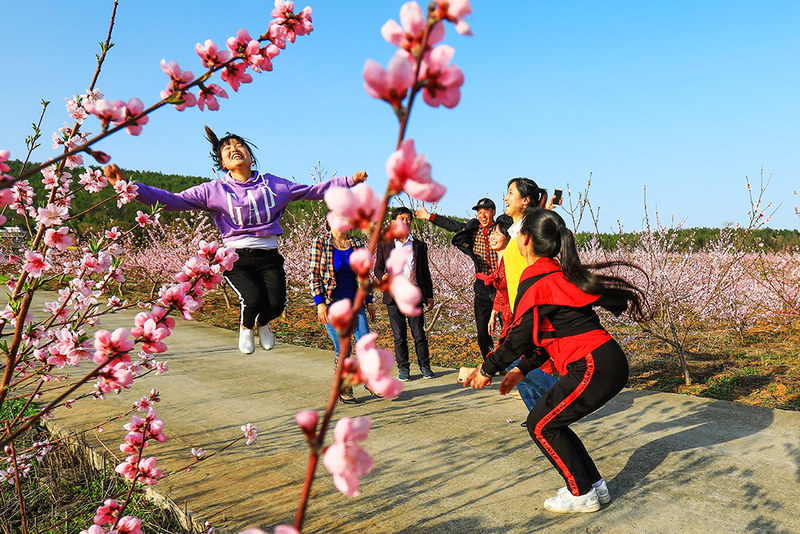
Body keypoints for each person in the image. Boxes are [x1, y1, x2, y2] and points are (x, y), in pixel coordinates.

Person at [104, 126, 367, 355]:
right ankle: (245, 327)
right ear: (222, 162)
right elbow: (174, 200)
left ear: (251, 156)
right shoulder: (214, 190)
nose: (234, 149)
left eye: (239, 145)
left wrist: (347, 181)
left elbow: (313, 191)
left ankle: (263, 323)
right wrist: (130, 186)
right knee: (252, 298)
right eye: (227, 148)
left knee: (276, 304)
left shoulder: (273, 185)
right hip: (235, 257)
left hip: (269, 254)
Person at [464, 207, 648, 514]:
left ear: (524, 240)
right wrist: (520, 369)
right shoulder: (555, 275)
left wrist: (487, 368)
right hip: (602, 362)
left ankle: (581, 495)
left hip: (593, 364)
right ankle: (593, 486)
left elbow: (520, 337)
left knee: (540, 425)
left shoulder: (538, 278)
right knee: (551, 421)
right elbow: (544, 340)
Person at [477, 215, 558, 413]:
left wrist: (485, 370)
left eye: (497, 233)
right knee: (516, 365)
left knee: (516, 360)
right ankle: (536, 412)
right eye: (492, 233)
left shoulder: (515, 256)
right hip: (509, 315)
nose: (493, 236)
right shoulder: (503, 259)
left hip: (520, 315)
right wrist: (495, 310)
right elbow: (503, 289)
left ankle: (556, 396)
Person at [416, 198, 497, 356]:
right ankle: (490, 360)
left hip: (502, 284)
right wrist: (429, 217)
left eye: (486, 211)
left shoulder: (502, 229)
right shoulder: (473, 231)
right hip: (482, 284)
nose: (483, 215)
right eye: (479, 213)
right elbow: (453, 225)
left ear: (493, 212)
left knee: (509, 324)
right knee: (482, 329)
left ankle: (511, 362)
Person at [309, 225, 376, 404]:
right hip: (332, 305)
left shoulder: (357, 243)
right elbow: (314, 274)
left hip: (356, 304)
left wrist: (369, 301)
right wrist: (319, 304)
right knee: (343, 348)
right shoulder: (321, 243)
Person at [374, 207, 435, 381]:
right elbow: (377, 268)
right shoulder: (385, 244)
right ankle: (404, 368)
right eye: (402, 219)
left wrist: (429, 295)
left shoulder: (418, 245)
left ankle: (425, 366)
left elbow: (424, 272)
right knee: (399, 336)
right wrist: (382, 276)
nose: (406, 222)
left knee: (419, 335)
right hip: (393, 297)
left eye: (408, 219)